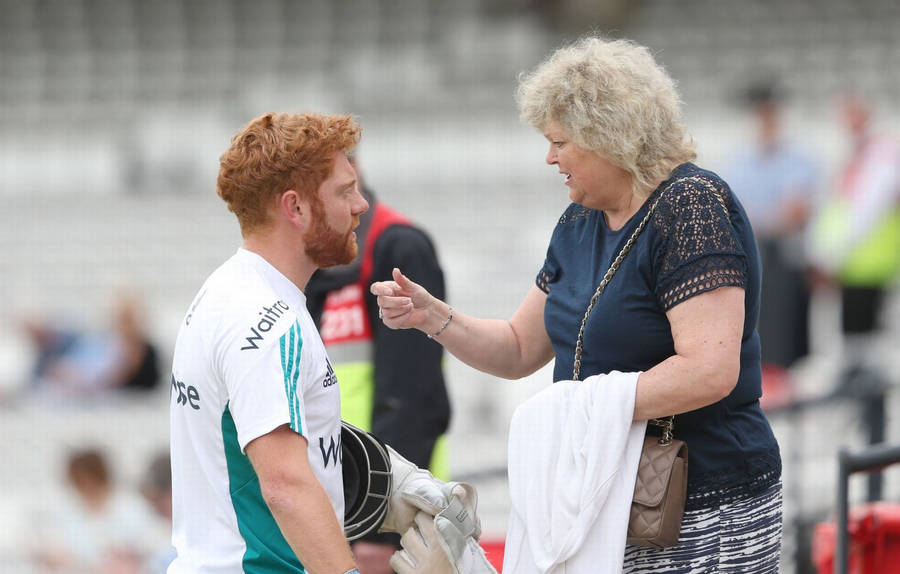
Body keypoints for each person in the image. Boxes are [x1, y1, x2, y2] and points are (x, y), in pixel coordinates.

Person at [373, 35, 783, 572]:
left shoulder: (690, 206)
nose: (550, 157)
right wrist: (435, 318)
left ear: (608, 135)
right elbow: (521, 347)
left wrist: (580, 411)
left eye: (560, 141)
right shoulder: (579, 220)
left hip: (703, 500)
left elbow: (709, 371)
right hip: (610, 496)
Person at [168, 112, 368, 574]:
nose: (360, 204)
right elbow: (284, 485)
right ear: (295, 208)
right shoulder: (270, 320)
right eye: (344, 191)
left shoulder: (227, 291)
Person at [305, 157, 451, 574]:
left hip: (388, 515)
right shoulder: (316, 266)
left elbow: (412, 396)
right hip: (338, 505)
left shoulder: (398, 248)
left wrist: (379, 530)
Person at [725, 81, 818, 370]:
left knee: (786, 342)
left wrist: (763, 218)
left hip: (785, 261)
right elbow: (738, 213)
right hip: (754, 258)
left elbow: (796, 212)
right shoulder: (740, 161)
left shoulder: (798, 159)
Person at [808, 94, 900, 356]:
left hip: (868, 262)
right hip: (855, 262)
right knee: (855, 335)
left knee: (866, 340)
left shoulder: (881, 154)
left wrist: (830, 256)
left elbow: (867, 210)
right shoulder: (855, 153)